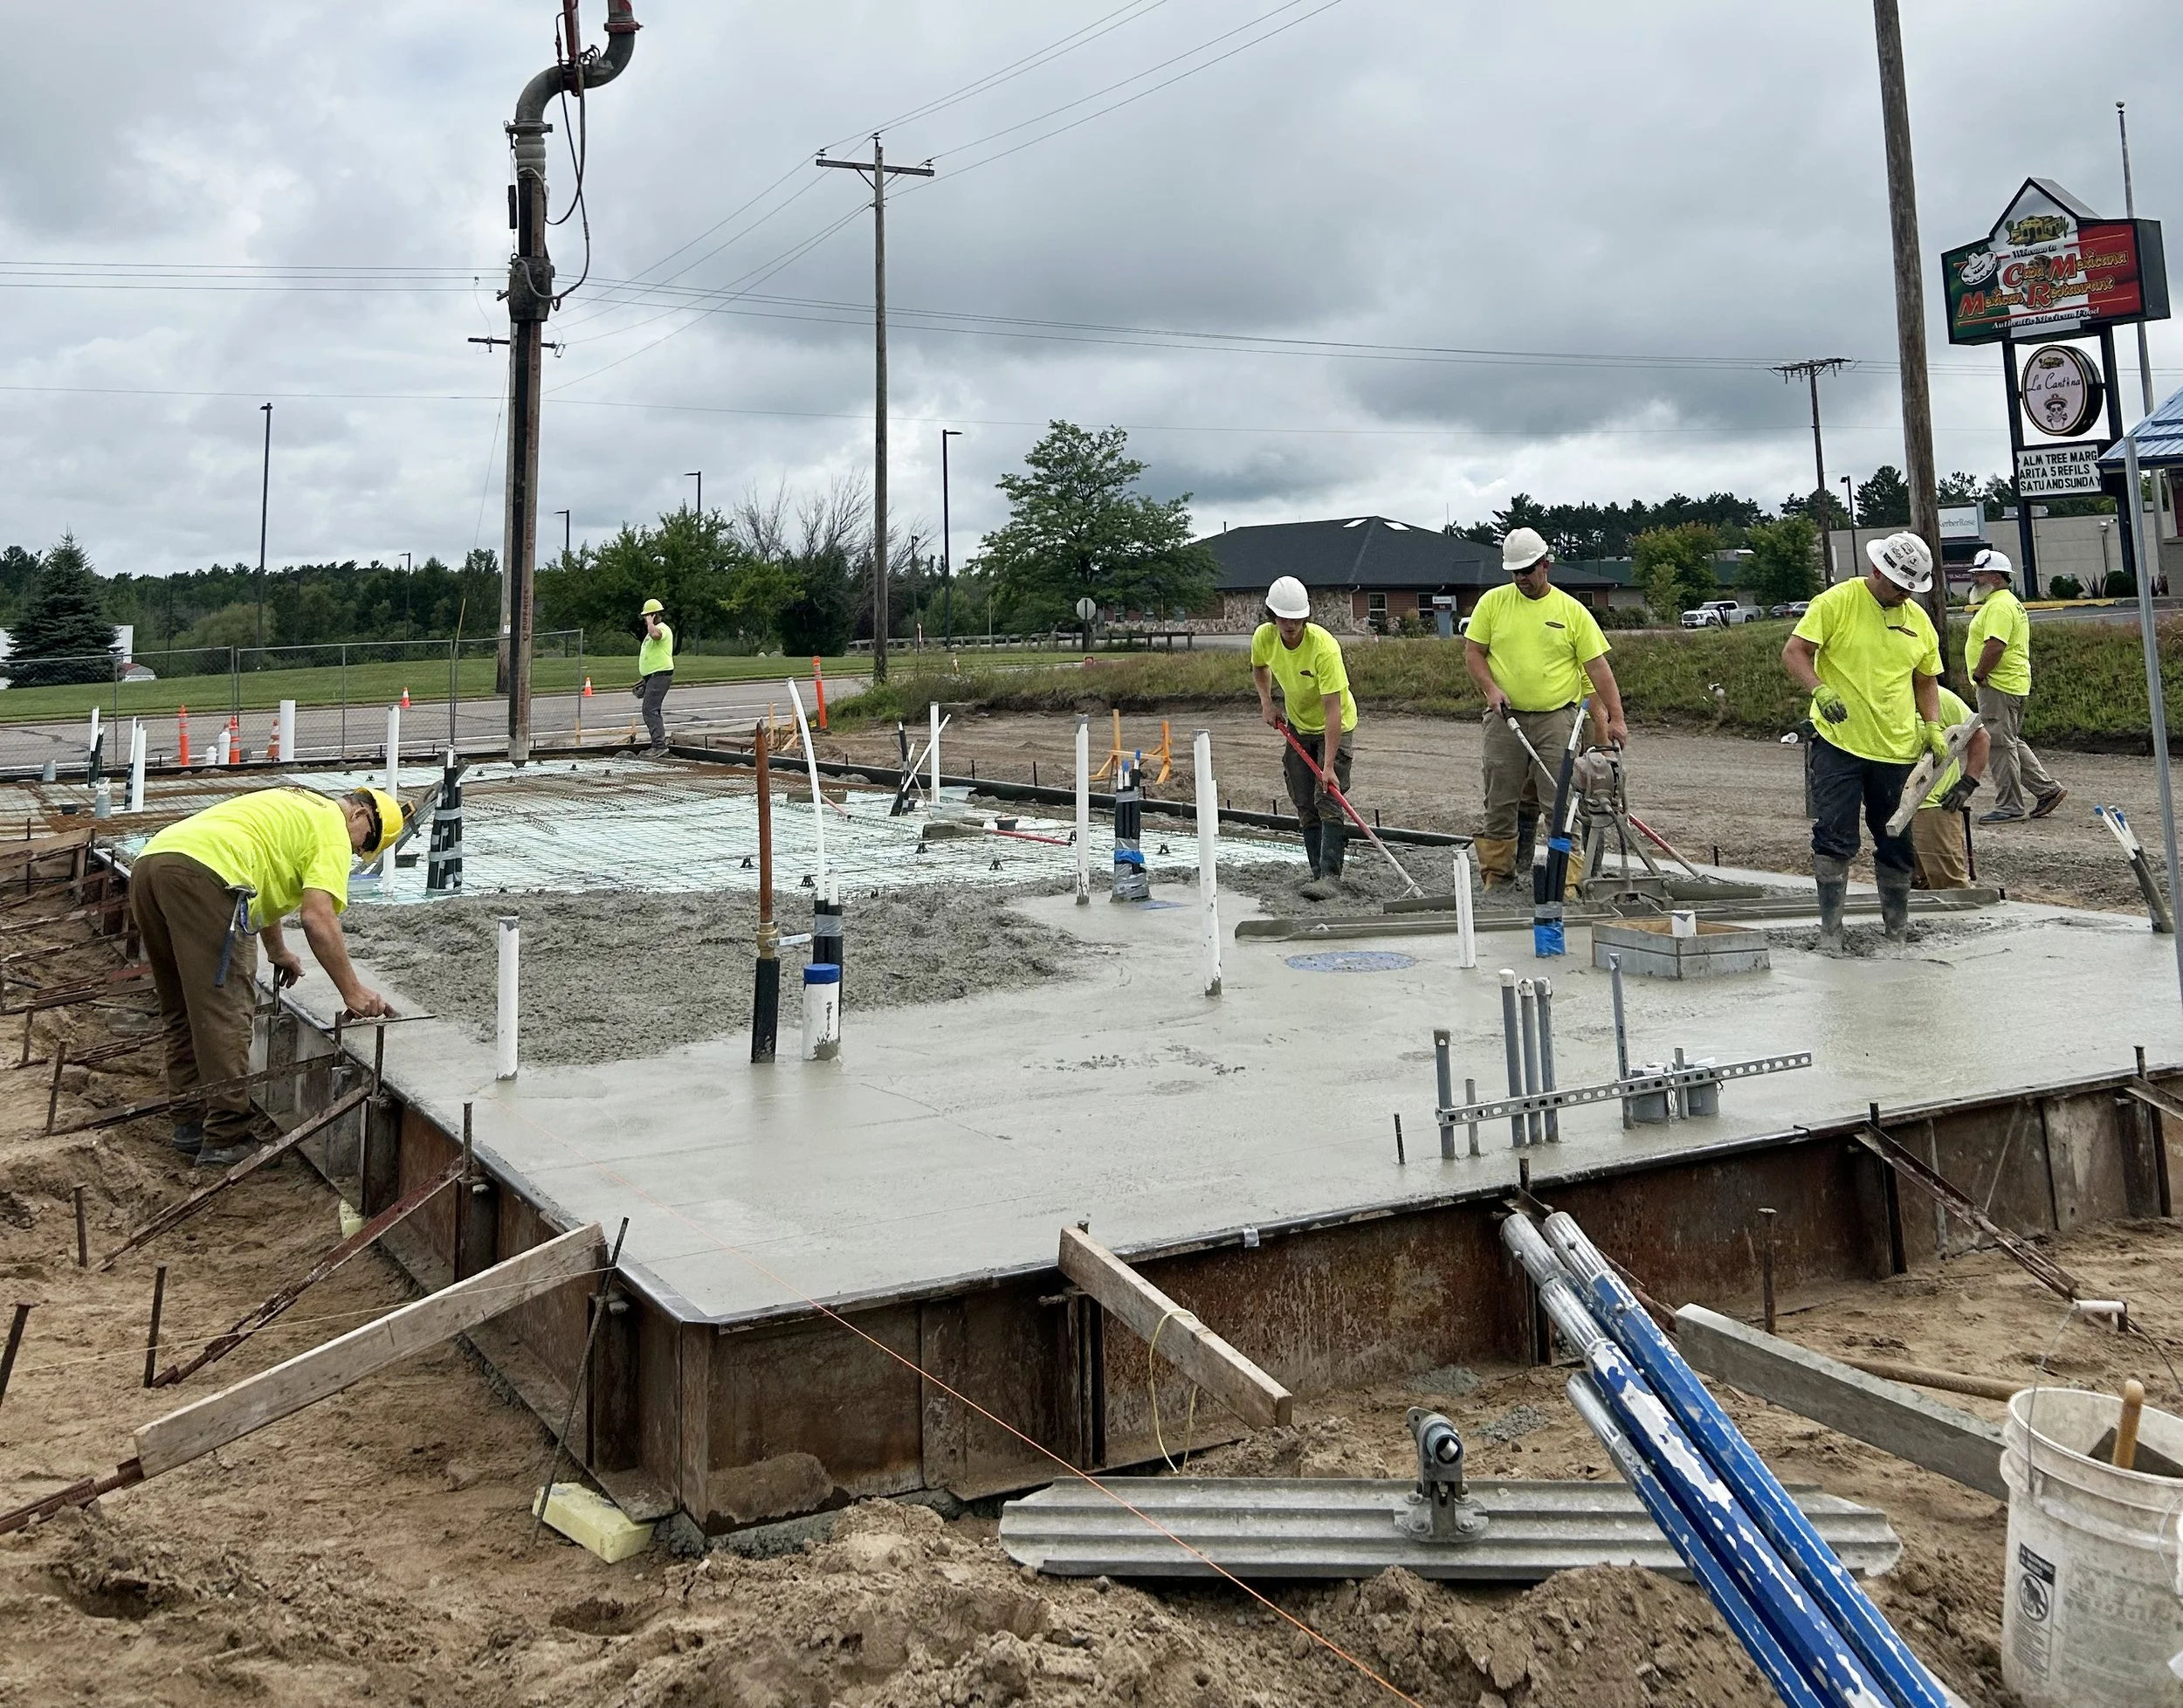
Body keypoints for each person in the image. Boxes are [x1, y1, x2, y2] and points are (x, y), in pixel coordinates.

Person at [130, 787, 403, 1168]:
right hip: (208, 879)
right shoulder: (333, 830)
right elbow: (318, 917)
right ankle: (227, 1136)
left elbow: (264, 882)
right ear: (360, 816)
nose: (357, 854)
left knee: (182, 1007)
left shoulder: (299, 804)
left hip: (153, 865)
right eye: (364, 846)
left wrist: (277, 951)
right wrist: (352, 990)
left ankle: (190, 1123)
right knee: (227, 1014)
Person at [1781, 530, 1947, 946]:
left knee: (1895, 839)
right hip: (1839, 742)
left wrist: (1932, 724)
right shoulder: (1837, 602)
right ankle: (1831, 932)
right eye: (1897, 586)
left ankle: (1897, 930)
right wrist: (1819, 688)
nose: (1903, 596)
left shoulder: (1918, 621)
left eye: (1911, 589)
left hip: (1896, 748)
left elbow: (1926, 680)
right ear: (1876, 570)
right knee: (1834, 834)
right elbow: (1794, 651)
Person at [1463, 527, 1628, 891]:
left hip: (1557, 719)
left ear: (1546, 566)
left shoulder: (1572, 611)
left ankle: (1565, 882)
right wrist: (1490, 689)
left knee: (1560, 802)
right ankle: (1499, 879)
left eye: (1527, 570)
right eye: (1515, 572)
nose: (1521, 578)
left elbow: (1598, 668)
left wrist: (1616, 717)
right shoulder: (1493, 603)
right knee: (1500, 800)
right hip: (1505, 719)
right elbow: (1474, 652)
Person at [1251, 575, 1356, 901]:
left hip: (1333, 726)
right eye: (1283, 618)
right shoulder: (1264, 638)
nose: (1290, 624)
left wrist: (1328, 766)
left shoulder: (1324, 648)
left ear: (1305, 616)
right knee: (1303, 798)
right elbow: (1259, 668)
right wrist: (1268, 704)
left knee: (1327, 795)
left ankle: (1330, 876)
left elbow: (1333, 711)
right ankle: (1314, 872)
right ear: (1273, 616)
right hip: (1297, 725)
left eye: (1296, 619)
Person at [1965, 548, 2065, 823]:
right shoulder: (2007, 602)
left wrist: (1979, 673)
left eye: (1980, 574)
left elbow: (1995, 645)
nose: (1975, 579)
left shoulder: (1999, 606)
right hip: (2012, 683)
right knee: (2009, 741)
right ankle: (2047, 790)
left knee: (1998, 744)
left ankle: (2010, 805)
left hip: (1998, 684)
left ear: (1996, 577)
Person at [1910, 685, 1990, 890]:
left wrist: (1968, 782)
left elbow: (1980, 737)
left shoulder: (1939, 698)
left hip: (1933, 806)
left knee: (1949, 884)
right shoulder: (1880, 696)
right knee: (1911, 882)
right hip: (1893, 806)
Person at [636, 597, 675, 757]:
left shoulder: (662, 629)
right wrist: (644, 678)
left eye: (648, 616)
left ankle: (659, 746)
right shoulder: (651, 631)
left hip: (661, 674)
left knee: (650, 710)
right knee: (650, 709)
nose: (645, 620)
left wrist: (650, 623)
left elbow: (656, 635)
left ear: (654, 615)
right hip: (654, 676)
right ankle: (658, 744)